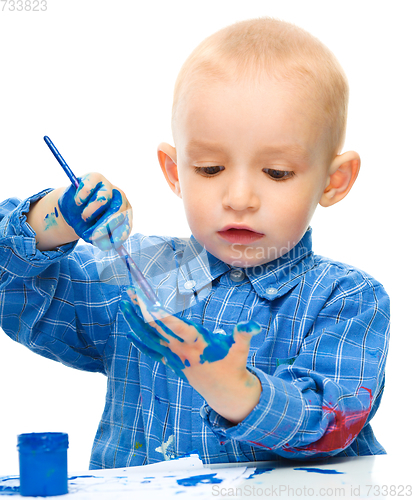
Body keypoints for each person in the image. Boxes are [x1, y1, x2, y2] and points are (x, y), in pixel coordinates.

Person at [0, 17, 389, 469]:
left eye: (277, 172)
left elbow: (331, 423)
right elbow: (15, 292)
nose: (239, 199)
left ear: (334, 181)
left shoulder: (347, 299)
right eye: (209, 169)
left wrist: (226, 381)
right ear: (174, 171)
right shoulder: (137, 273)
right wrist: (57, 218)